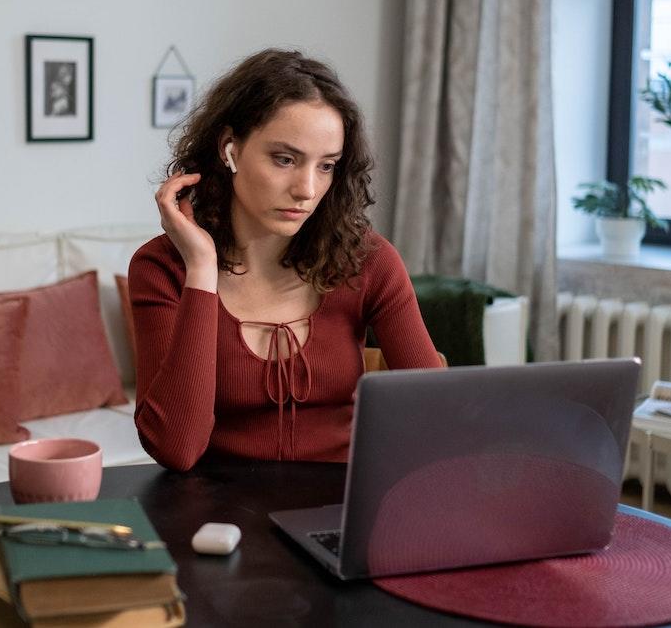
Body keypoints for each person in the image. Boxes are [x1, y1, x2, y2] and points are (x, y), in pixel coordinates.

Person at [128, 48, 443, 471]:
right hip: (212, 521)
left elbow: (436, 418)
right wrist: (200, 270)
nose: (307, 189)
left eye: (326, 165)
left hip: (338, 512)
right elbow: (176, 449)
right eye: (285, 159)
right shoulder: (161, 268)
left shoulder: (369, 261)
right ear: (230, 149)